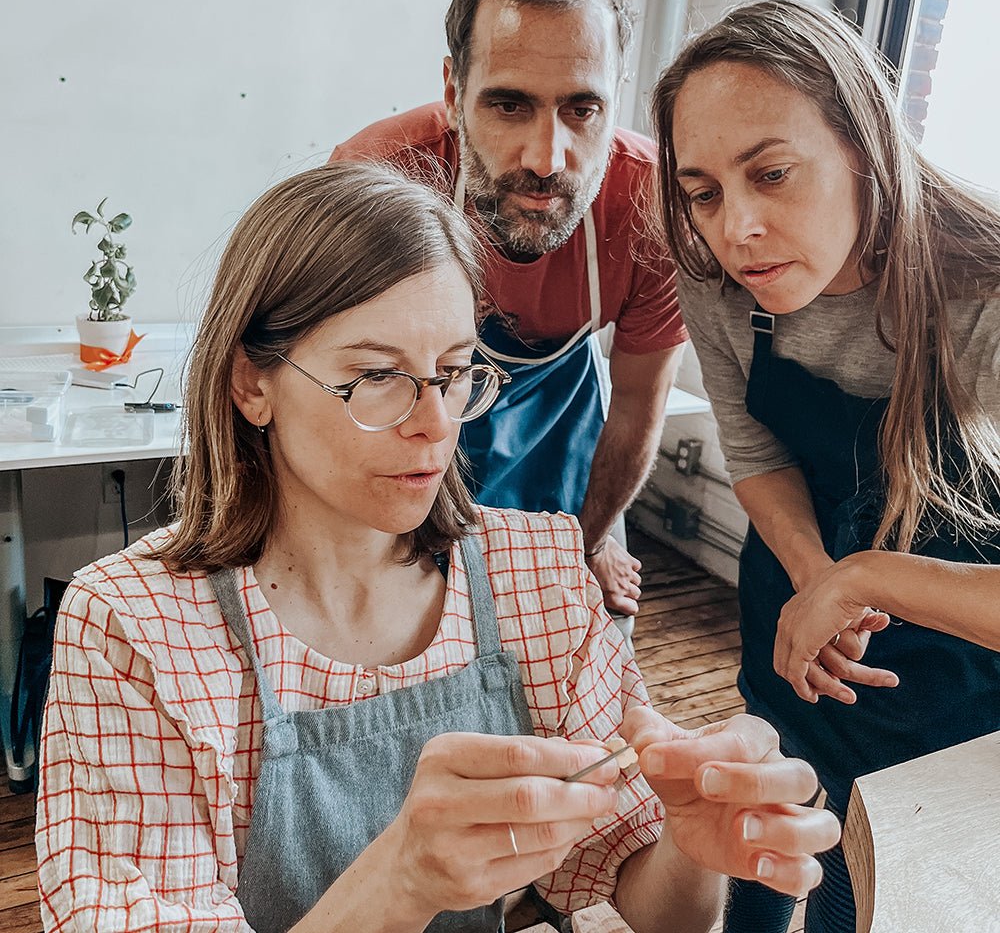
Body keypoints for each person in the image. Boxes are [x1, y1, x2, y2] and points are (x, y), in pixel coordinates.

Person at [35, 162, 838, 933]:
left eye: (454, 373)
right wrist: (401, 883)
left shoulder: (537, 577)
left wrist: (691, 845)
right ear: (253, 385)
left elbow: (661, 910)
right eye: (377, 376)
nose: (436, 423)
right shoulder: (133, 627)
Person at [650, 0, 1000, 933]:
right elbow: (758, 454)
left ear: (863, 145)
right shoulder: (720, 280)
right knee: (765, 839)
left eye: (772, 173)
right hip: (794, 608)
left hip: (951, 673)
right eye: (704, 190)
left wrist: (867, 579)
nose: (738, 231)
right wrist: (815, 584)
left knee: (866, 888)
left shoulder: (986, 300)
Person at [329, 0, 688, 616]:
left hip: (564, 403)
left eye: (582, 109)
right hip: (417, 391)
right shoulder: (378, 175)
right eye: (508, 105)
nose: (546, 159)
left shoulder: (657, 209)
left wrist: (585, 546)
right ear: (452, 93)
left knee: (578, 621)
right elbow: (346, 398)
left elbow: (639, 406)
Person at [775, 551, 1000, 701]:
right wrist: (815, 579)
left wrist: (855, 578)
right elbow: (762, 476)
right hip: (810, 683)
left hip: (969, 701)